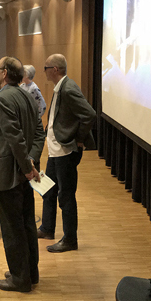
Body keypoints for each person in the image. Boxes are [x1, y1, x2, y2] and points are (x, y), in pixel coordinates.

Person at [0, 56, 46, 292]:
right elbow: (39, 133)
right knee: (27, 223)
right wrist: (31, 161)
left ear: (4, 73)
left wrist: (26, 167)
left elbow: (14, 138)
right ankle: (30, 273)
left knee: (13, 228)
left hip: (11, 173)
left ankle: (20, 279)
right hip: (24, 171)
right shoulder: (27, 95)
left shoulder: (3, 97)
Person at [39, 53, 96, 254]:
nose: (44, 71)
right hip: (55, 151)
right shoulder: (61, 87)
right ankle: (47, 228)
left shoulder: (69, 88)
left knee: (66, 196)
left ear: (54, 69)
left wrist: (78, 137)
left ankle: (70, 239)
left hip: (65, 151)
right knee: (48, 190)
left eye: (46, 68)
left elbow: (89, 114)